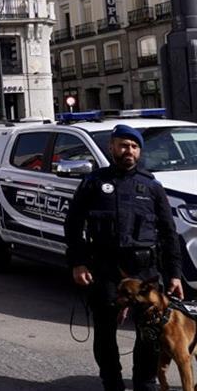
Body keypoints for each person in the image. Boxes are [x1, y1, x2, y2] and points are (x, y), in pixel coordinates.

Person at [64, 124, 184, 391]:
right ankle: (112, 381)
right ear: (112, 147)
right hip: (105, 268)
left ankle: (145, 382)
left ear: (139, 151)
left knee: (150, 332)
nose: (128, 151)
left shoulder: (151, 186)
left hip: (146, 271)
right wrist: (78, 262)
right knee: (105, 332)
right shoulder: (94, 183)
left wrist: (174, 273)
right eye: (123, 145)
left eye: (133, 146)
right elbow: (73, 225)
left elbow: (168, 232)